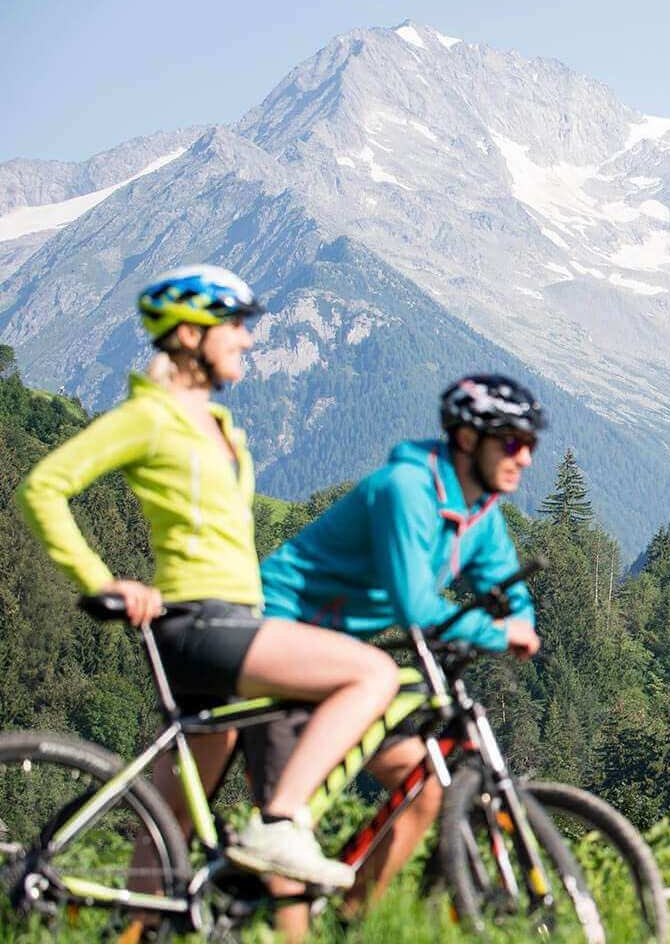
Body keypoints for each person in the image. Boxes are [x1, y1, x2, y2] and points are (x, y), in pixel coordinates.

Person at [14, 265, 399, 892]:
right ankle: (280, 822)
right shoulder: (150, 416)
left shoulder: (217, 425)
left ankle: (136, 929)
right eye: (235, 325)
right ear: (190, 335)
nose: (247, 339)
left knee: (168, 825)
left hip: (229, 619)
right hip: (202, 623)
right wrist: (102, 580)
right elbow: (44, 487)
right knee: (371, 673)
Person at [247, 374, 544, 935]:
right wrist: (497, 634)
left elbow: (509, 588)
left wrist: (519, 622)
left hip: (342, 656)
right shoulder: (407, 489)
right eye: (510, 441)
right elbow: (414, 606)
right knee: (288, 834)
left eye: (530, 444)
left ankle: (349, 926)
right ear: (465, 439)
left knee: (424, 785)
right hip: (281, 636)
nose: (524, 457)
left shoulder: (480, 513)